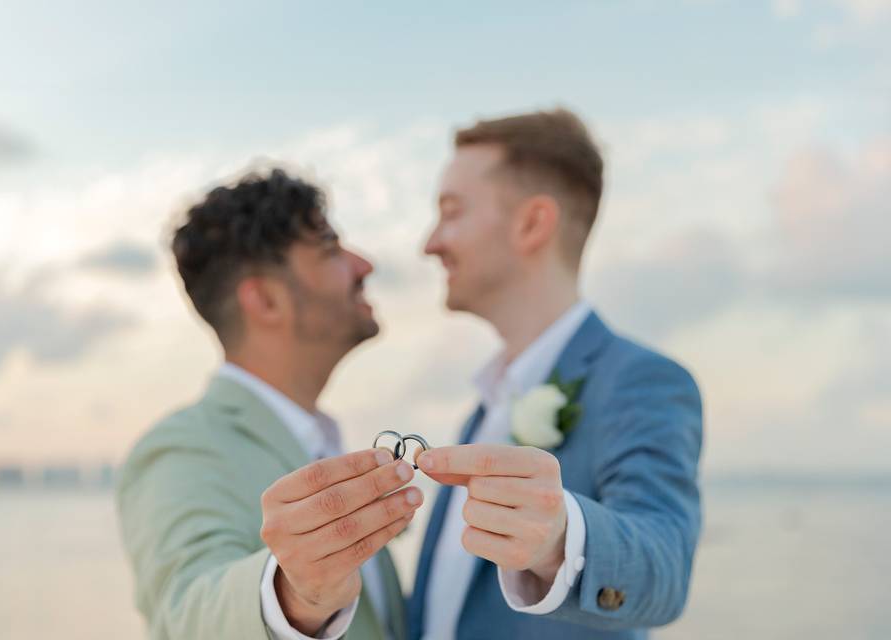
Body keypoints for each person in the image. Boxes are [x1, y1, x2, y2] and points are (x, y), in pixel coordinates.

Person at [404, 108, 704, 639]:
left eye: (451, 213)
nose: (430, 242)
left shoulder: (640, 381)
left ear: (532, 224)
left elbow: (666, 566)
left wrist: (562, 536)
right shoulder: (484, 406)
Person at [116, 168, 420, 639]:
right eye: (330, 249)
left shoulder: (320, 444)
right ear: (266, 300)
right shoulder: (180, 450)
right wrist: (291, 593)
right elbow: (186, 610)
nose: (364, 265)